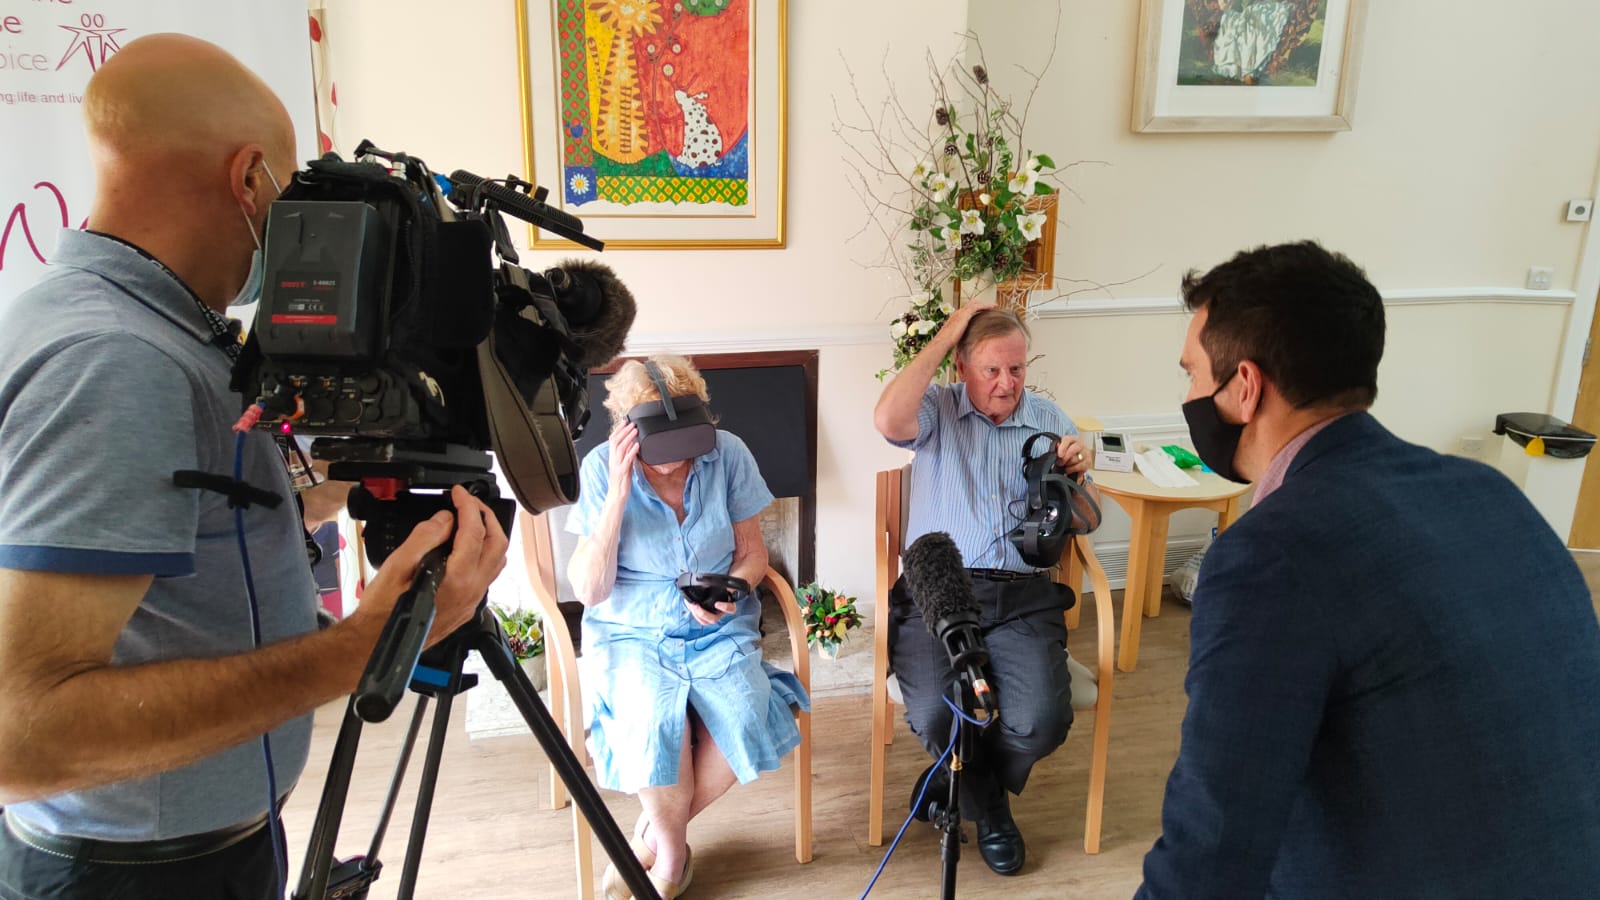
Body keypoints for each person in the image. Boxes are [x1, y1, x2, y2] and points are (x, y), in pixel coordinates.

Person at [0, 35, 508, 900]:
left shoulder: (144, 332)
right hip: (136, 878)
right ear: (248, 181)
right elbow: (22, 737)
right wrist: (356, 650)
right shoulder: (119, 362)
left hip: (202, 848)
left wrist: (338, 485)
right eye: (292, 192)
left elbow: (178, 534)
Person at [1137, 241, 1600, 898]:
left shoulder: (1272, 552)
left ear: (1245, 385)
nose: (1188, 394)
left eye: (1191, 374)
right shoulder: (1486, 490)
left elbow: (1214, 847)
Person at [566, 355, 809, 900]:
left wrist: (733, 590)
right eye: (662, 451)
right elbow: (589, 590)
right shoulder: (603, 467)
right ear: (629, 432)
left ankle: (652, 833)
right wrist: (620, 494)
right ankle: (673, 859)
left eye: (688, 444)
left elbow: (752, 554)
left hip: (718, 625)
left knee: (747, 714)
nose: (677, 464)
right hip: (633, 628)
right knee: (653, 724)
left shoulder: (729, 454)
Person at [873, 302, 1100, 876]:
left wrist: (1074, 477)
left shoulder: (1048, 418)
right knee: (933, 714)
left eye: (1017, 369)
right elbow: (885, 421)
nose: (1007, 384)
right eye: (992, 371)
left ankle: (956, 779)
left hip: (1022, 594)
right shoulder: (936, 409)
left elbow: (1090, 521)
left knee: (1042, 720)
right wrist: (950, 331)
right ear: (962, 369)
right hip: (938, 588)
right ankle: (992, 809)